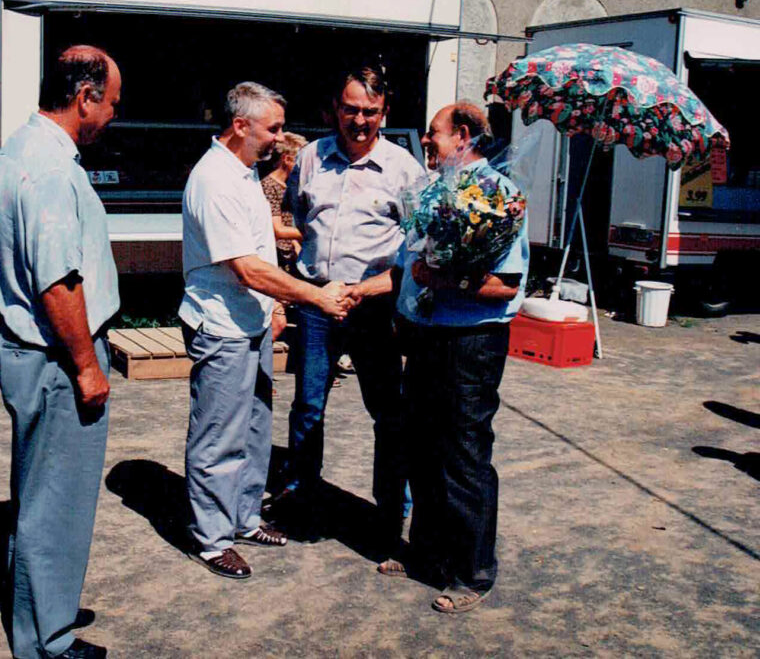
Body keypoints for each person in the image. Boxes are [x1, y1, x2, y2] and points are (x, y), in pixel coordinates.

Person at [350, 102, 529, 613]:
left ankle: (472, 572)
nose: (426, 142)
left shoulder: (498, 195)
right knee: (422, 447)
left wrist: (446, 278)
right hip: (426, 336)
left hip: (470, 343)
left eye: (434, 134)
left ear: (464, 136)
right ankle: (427, 553)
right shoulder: (435, 192)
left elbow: (507, 286)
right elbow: (411, 264)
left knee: (464, 454)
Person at [180, 82, 350, 580]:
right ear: (240, 125)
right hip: (223, 327)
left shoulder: (243, 172)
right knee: (219, 435)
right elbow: (247, 267)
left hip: (250, 323)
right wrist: (313, 295)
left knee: (254, 429)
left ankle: (243, 517)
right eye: (272, 127)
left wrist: (275, 306)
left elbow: (262, 244)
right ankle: (211, 540)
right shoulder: (213, 180)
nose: (279, 137)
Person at [0, 45, 121, 659]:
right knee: (57, 503)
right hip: (58, 357)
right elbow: (58, 282)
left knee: (38, 496)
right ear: (85, 97)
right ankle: (48, 641)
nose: (113, 116)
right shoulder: (48, 168)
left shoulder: (21, 150)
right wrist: (88, 366)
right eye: (111, 103)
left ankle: (39, 616)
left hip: (31, 352)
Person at [272, 64, 426, 556]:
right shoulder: (312, 158)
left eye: (371, 112)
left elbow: (420, 246)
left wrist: (376, 289)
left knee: (386, 410)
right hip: (318, 301)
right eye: (351, 110)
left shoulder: (405, 170)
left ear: (385, 113)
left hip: (374, 308)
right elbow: (297, 213)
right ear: (334, 109)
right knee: (308, 405)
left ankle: (390, 508)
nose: (360, 121)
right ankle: (301, 491)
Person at [261, 132, 307, 275]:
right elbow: (277, 230)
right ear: (287, 159)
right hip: (275, 259)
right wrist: (315, 233)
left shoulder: (289, 186)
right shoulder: (268, 186)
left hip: (289, 257)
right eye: (302, 160)